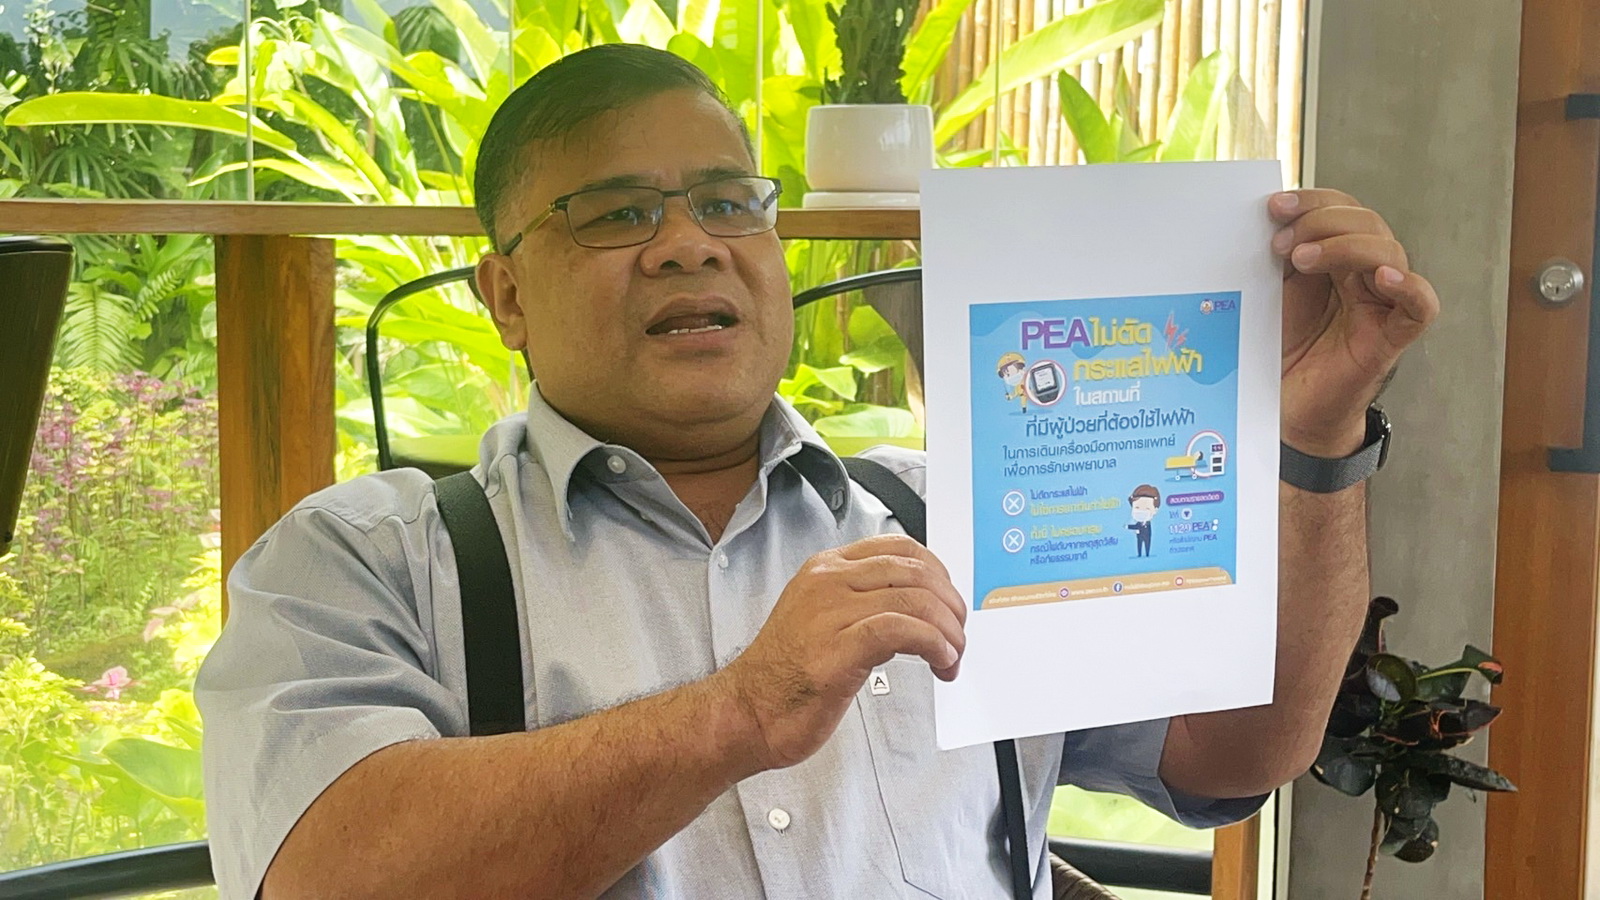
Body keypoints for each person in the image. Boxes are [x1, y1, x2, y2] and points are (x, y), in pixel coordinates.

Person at [196, 43, 1440, 900]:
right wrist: (740, 711)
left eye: (728, 203)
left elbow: (1232, 751)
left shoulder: (964, 511)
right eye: (617, 214)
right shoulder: (367, 557)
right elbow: (322, 872)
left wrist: (1316, 435)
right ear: (506, 293)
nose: (688, 246)